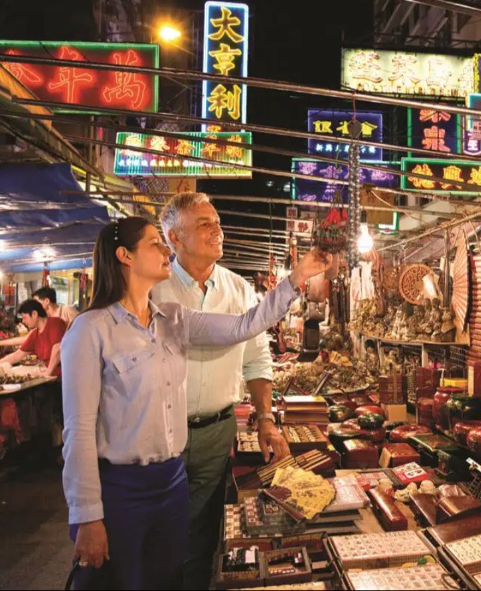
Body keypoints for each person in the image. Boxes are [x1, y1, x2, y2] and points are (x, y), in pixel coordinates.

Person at [61, 216, 331, 591]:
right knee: (122, 581)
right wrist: (87, 515)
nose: (165, 250)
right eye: (155, 243)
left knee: (169, 577)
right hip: (123, 488)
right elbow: (78, 429)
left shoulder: (172, 319)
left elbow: (244, 326)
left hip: (171, 482)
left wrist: (297, 277)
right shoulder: (91, 330)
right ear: (124, 255)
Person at [152, 192, 290, 589]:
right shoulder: (154, 288)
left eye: (217, 221)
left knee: (202, 534)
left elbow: (257, 358)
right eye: (204, 224)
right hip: (160, 432)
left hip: (216, 432)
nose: (217, 230)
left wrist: (265, 418)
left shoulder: (239, 289)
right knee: (159, 532)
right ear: (174, 238)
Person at [0, 299, 66, 377]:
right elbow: (17, 355)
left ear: (34, 314)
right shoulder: (35, 334)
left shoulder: (55, 323)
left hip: (63, 378)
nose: (23, 321)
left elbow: (58, 348)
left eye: (25, 317)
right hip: (50, 377)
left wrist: (48, 372)